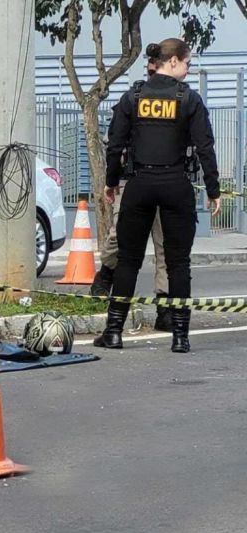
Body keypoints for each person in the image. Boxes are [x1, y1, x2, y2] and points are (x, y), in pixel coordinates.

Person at [94, 38, 221, 353]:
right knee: (178, 263)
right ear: (174, 61)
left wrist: (111, 182)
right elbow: (205, 147)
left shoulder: (133, 96)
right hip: (176, 184)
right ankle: (180, 337)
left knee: (128, 261)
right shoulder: (188, 99)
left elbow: (116, 144)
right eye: (188, 64)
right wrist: (213, 189)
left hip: (139, 184)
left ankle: (113, 332)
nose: (188, 70)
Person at [92, 47, 172, 332]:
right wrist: (112, 180)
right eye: (151, 67)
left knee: (166, 248)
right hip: (133, 181)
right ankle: (106, 275)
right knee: (119, 239)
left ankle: (165, 307)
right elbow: (113, 142)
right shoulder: (134, 98)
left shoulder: (181, 100)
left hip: (167, 183)